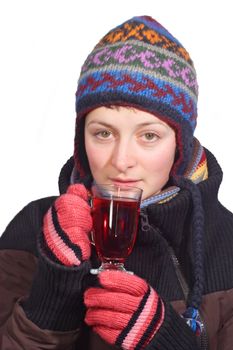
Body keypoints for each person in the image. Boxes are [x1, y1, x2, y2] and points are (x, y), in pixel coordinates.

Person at [0, 15, 233, 350]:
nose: (121, 160)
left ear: (180, 145)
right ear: (81, 139)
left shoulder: (227, 241)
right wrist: (53, 295)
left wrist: (168, 340)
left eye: (149, 135)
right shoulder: (32, 227)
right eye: (103, 133)